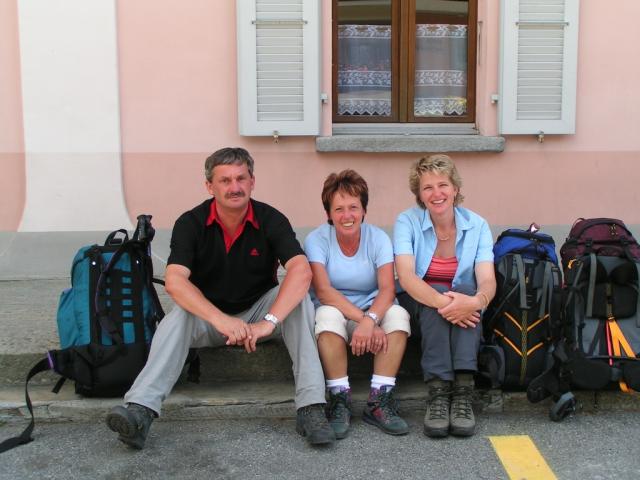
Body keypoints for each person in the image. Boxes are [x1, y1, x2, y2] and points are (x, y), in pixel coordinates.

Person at [106, 147, 335, 448]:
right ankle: (140, 412)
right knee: (179, 316)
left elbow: (301, 270)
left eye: (241, 178)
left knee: (299, 300)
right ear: (209, 186)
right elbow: (175, 281)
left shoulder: (271, 218)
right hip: (210, 318)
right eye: (225, 180)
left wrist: (268, 322)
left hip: (259, 312)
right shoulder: (191, 222)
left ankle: (311, 408)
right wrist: (221, 320)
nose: (234, 187)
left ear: (252, 181)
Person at [393, 154, 496, 438]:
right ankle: (438, 393)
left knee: (466, 291)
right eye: (427, 187)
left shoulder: (477, 225)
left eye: (443, 185)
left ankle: (462, 391)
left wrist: (474, 302)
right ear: (419, 194)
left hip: (464, 304)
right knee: (438, 291)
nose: (436, 193)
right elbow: (407, 277)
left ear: (455, 189)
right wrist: (446, 305)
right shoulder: (407, 221)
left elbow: (487, 280)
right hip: (418, 304)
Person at [304, 170, 411, 439]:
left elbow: (387, 289)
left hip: (372, 310)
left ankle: (379, 400)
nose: (347, 215)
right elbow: (324, 291)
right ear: (328, 214)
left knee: (398, 314)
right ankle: (339, 398)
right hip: (337, 310)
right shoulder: (317, 239)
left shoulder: (378, 238)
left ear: (364, 210)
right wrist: (363, 320)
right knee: (326, 316)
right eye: (338, 209)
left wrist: (370, 318)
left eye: (353, 207)